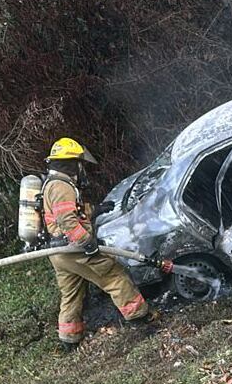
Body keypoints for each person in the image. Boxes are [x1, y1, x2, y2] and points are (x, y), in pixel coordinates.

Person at [43, 137, 159, 351]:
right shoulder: (62, 186)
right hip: (73, 249)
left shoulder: (53, 184)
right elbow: (67, 220)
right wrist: (87, 242)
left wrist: (95, 210)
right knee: (114, 276)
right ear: (72, 163)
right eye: (79, 163)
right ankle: (139, 319)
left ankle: (69, 339)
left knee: (71, 294)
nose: (81, 168)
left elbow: (71, 213)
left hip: (59, 253)